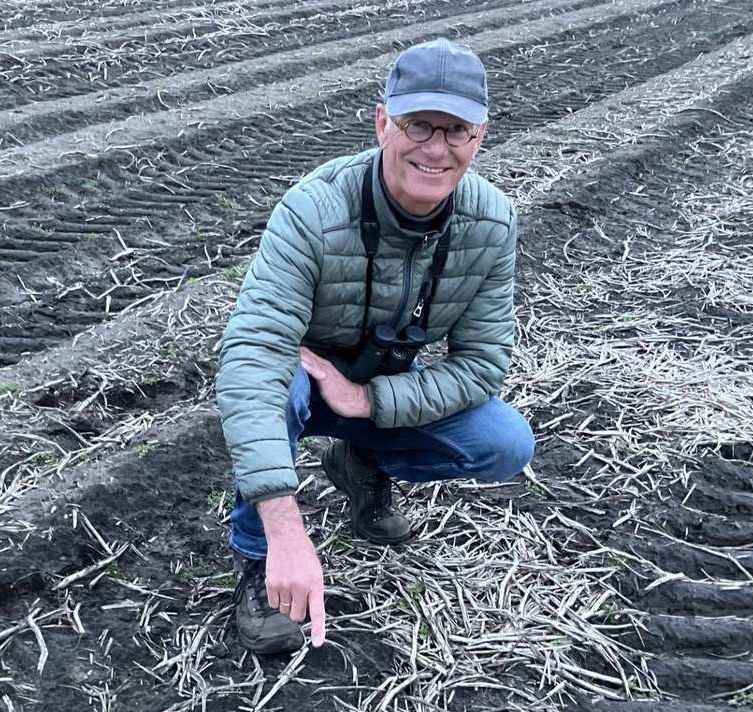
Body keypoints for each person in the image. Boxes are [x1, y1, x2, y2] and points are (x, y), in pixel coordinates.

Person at [215, 39, 534, 654]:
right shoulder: (315, 210)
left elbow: (483, 364)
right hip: (300, 383)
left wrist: (368, 400)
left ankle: (361, 462)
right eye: (419, 124)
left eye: (457, 131)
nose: (436, 149)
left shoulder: (491, 223)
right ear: (384, 122)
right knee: (276, 388)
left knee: (504, 444)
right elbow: (254, 355)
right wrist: (286, 533)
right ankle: (257, 562)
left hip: (372, 390)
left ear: (480, 137)